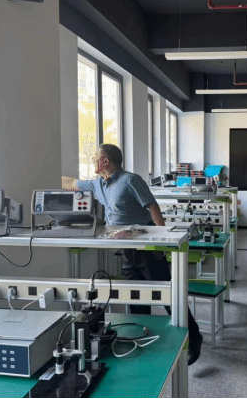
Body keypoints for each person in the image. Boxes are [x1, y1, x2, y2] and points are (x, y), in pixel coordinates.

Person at [62, 144, 203, 365]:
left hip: (146, 247)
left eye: (95, 157)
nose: (93, 160)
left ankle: (194, 337)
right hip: (125, 248)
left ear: (105, 161)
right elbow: (71, 183)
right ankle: (143, 338)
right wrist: (47, 174)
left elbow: (153, 207)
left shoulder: (130, 180)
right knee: (136, 297)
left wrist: (164, 240)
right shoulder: (98, 184)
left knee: (168, 296)